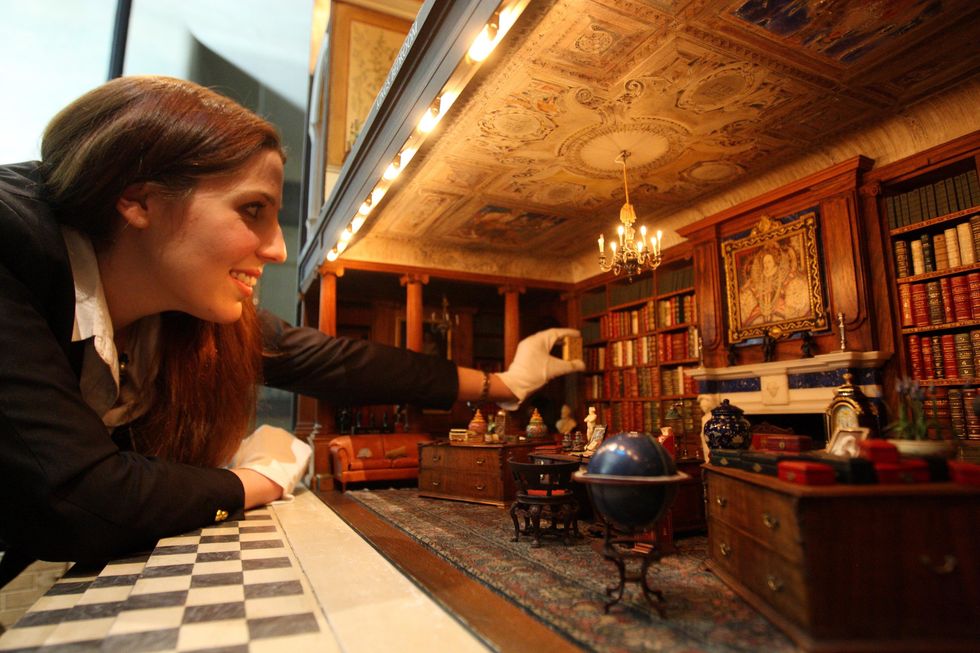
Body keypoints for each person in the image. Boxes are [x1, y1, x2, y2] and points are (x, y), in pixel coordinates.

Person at [0, 76, 584, 573]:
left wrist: (503, 385)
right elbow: (78, 499)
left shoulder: (183, 316)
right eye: (252, 210)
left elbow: (339, 361)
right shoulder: (10, 247)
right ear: (139, 201)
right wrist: (261, 479)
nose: (277, 248)